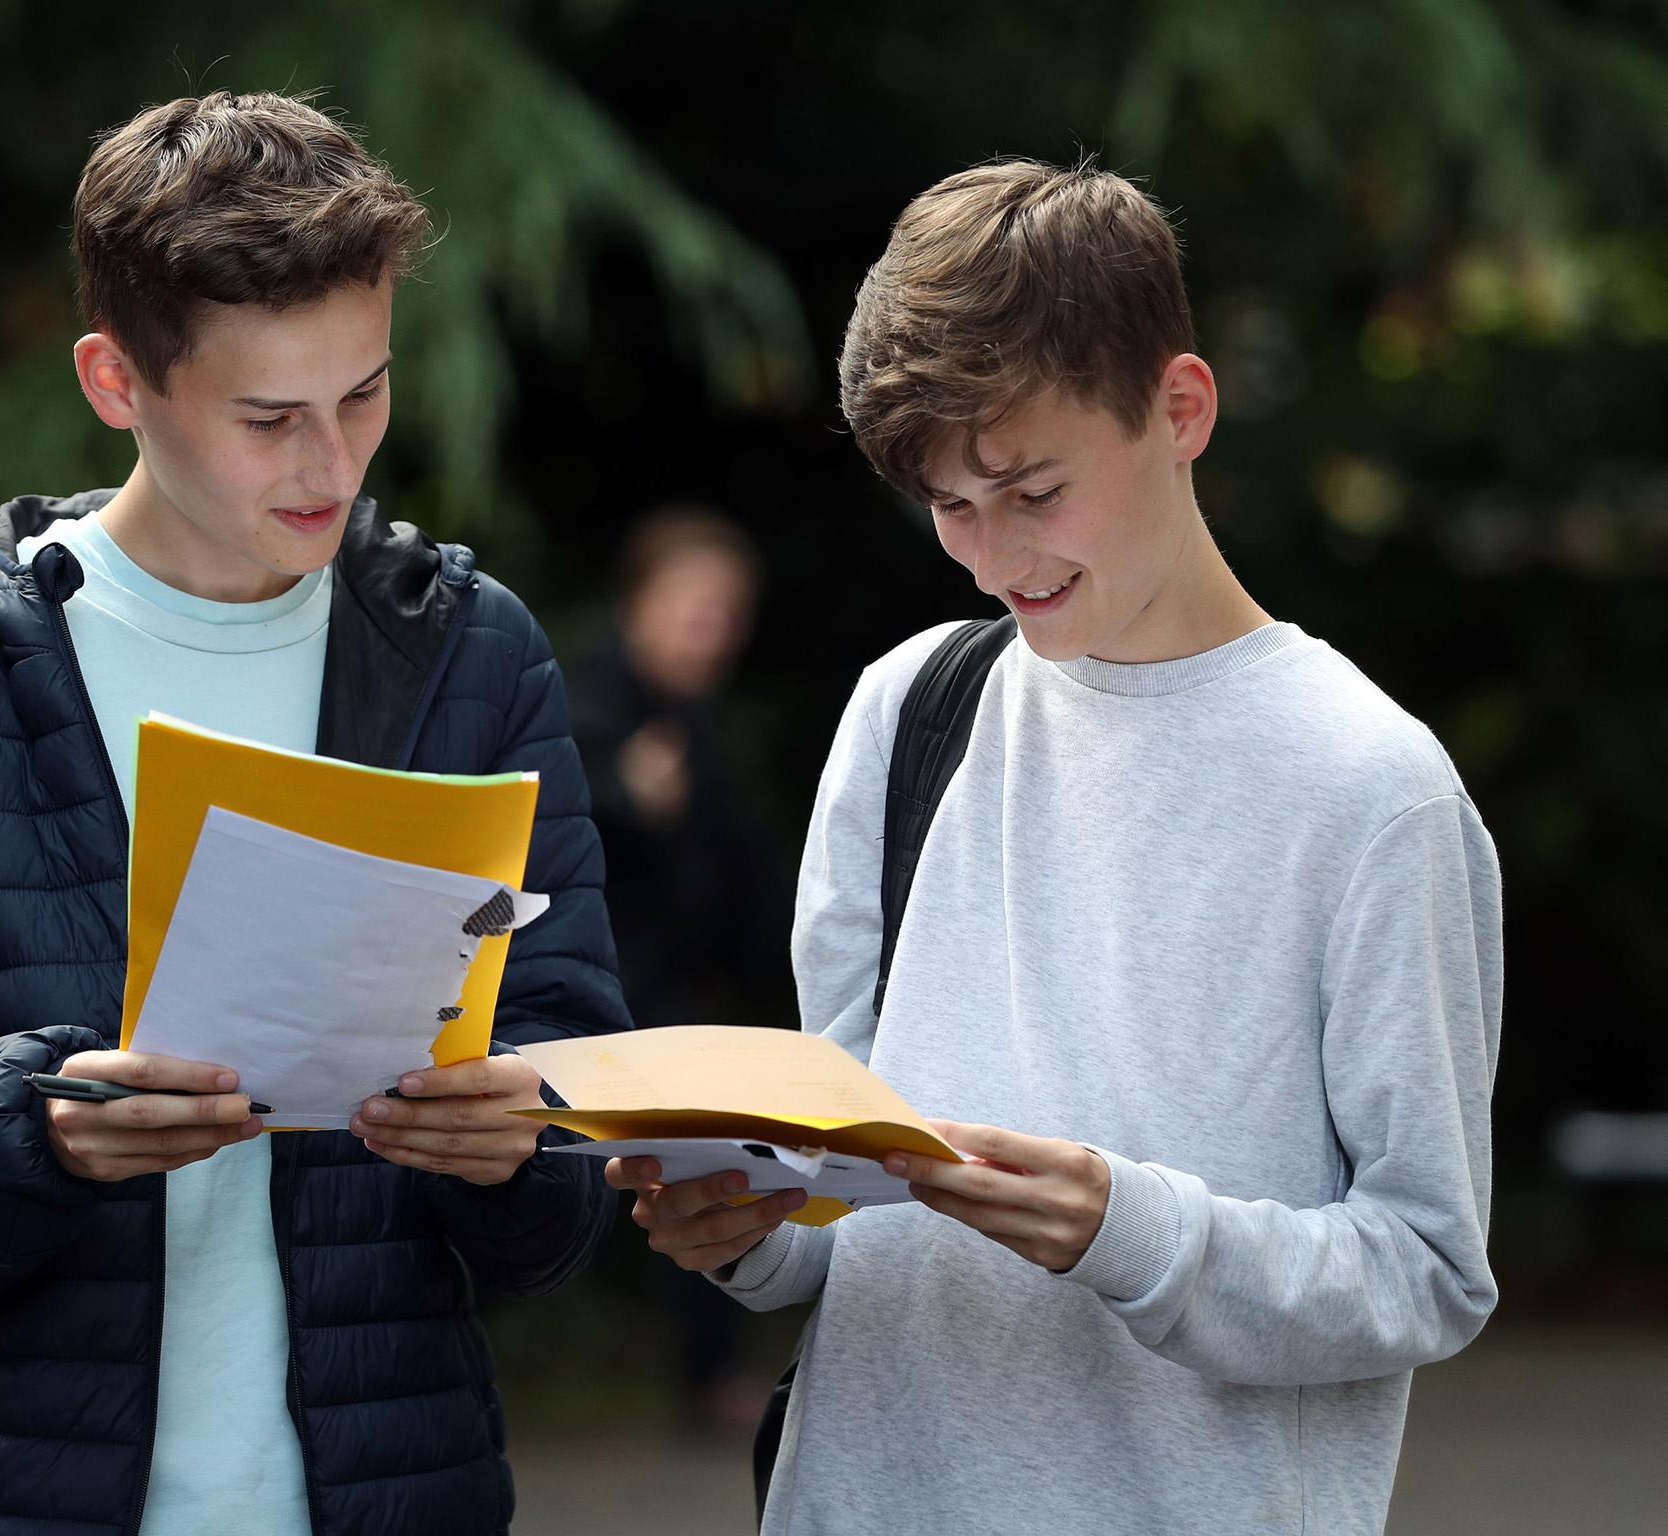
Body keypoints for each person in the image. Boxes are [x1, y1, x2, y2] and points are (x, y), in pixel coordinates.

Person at [0, 90, 629, 1536]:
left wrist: (521, 1139)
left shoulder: (471, 651)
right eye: (269, 418)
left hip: (394, 1496)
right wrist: (36, 1127)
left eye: (365, 394)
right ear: (113, 380)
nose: (333, 466)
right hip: (6, 1501)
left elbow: (577, 1113)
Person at [610, 158, 1503, 1535]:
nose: (989, 557)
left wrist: (1127, 1232)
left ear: (1181, 408)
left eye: (1031, 491)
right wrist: (744, 1232)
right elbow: (838, 1218)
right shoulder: (913, 709)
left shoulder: (1378, 792)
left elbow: (1428, 1272)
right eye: (949, 507)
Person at [569, 507, 790, 1435]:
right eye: (695, 609)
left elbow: (741, 875)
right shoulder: (571, 695)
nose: (713, 632)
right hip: (574, 998)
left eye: (728, 614)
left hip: (671, 998)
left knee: (720, 1141)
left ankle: (710, 1376)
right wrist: (624, 793)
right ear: (640, 602)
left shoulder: (696, 721)